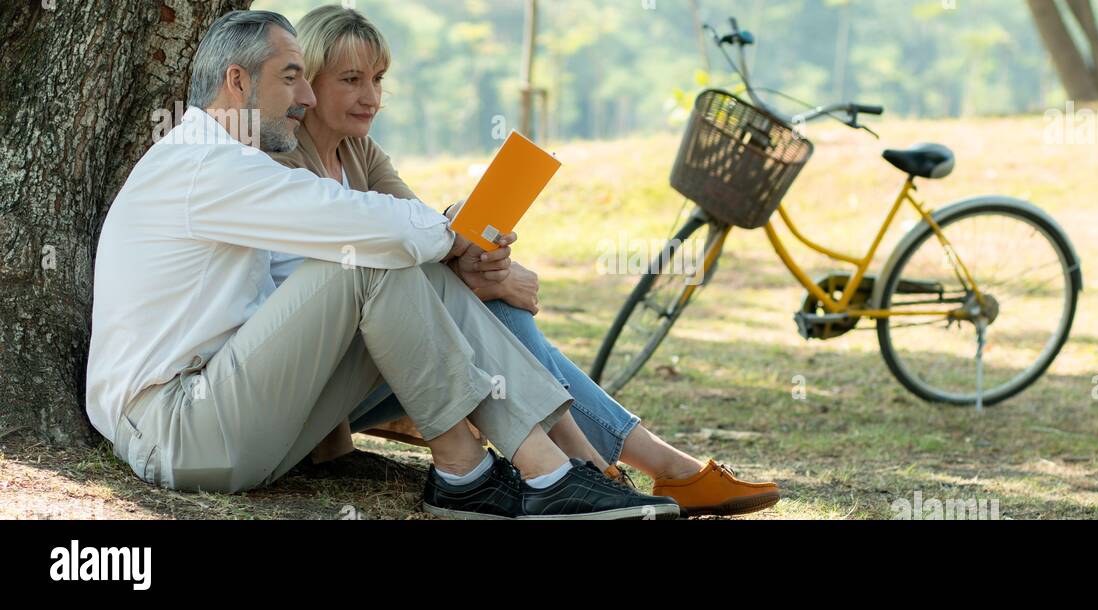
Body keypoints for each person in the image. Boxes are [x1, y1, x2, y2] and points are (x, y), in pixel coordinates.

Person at [86, 10, 678, 520]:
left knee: (391, 262)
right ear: (237, 82)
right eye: (291, 78)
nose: (308, 97)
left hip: (228, 416)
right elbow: (357, 223)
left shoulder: (234, 167)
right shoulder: (204, 165)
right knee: (366, 256)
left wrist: (449, 253)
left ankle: (542, 470)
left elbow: (310, 280)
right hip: (177, 429)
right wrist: (452, 233)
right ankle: (510, 473)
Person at [271, 5, 781, 517]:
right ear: (309, 82)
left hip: (389, 363)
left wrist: (479, 255)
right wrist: (483, 275)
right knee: (495, 308)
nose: (372, 97)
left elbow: (423, 229)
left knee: (500, 309)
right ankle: (624, 467)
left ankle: (612, 469)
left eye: (378, 79)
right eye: (352, 79)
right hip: (320, 384)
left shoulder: (361, 152)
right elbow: (379, 270)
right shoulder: (283, 161)